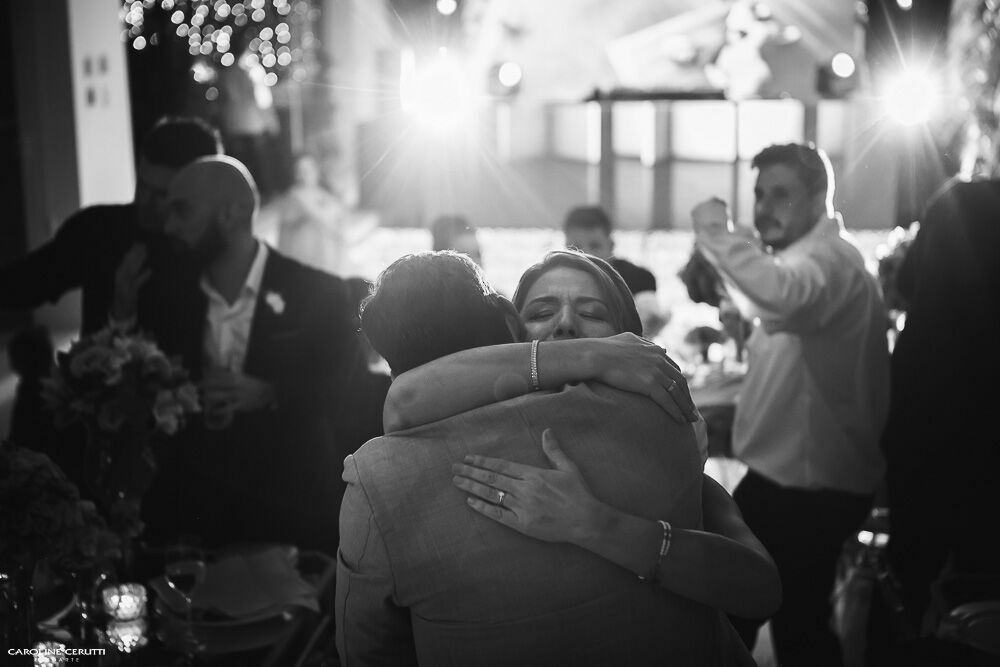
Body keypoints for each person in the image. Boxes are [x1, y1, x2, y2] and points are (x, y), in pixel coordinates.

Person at [337, 251, 756, 666]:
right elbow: (406, 400)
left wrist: (599, 525)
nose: (567, 325)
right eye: (541, 310)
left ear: (631, 341)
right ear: (510, 331)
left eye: (592, 312)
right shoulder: (665, 426)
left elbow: (757, 585)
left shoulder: (667, 422)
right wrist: (594, 353)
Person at [691, 143, 889, 666]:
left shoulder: (830, 262)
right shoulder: (811, 260)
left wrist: (714, 230)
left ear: (821, 197)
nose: (763, 207)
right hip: (798, 477)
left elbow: (783, 296)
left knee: (753, 613)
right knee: (791, 618)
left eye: (781, 194)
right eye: (759, 194)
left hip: (808, 484)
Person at [143, 155, 359, 554]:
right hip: (196, 509)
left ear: (228, 214)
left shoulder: (318, 293)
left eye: (181, 210)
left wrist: (269, 392)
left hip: (291, 503)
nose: (169, 225)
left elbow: (349, 391)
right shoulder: (164, 296)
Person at [881, 178, 1000, 635]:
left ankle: (913, 637)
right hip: (989, 409)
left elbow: (906, 285)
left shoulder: (956, 199)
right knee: (982, 564)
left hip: (928, 396)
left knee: (915, 558)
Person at [0, 116, 222, 334]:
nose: (143, 200)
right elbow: (26, 282)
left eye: (161, 194)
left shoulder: (218, 250)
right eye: (141, 184)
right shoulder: (99, 228)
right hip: (99, 367)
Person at [563, 205, 666, 337]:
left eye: (595, 246)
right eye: (575, 247)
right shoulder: (554, 281)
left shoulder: (639, 278)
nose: (585, 253)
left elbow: (648, 326)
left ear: (611, 245)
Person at [268, 154, 348, 273]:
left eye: (307, 170)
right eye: (300, 171)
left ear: (316, 171)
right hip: (304, 261)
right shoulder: (295, 196)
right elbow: (319, 217)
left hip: (323, 260)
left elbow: (339, 216)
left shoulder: (321, 194)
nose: (303, 175)